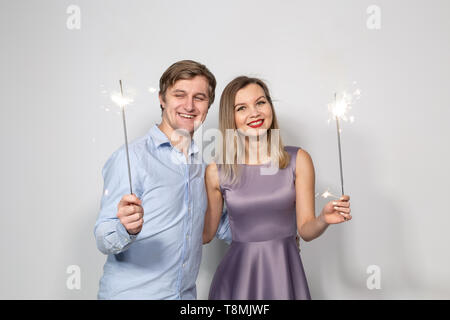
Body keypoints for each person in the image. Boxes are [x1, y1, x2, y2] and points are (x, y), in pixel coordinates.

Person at [202, 76, 352, 300]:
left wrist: (323, 218)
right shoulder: (217, 171)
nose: (255, 113)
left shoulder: (298, 159)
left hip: (285, 275)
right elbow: (205, 235)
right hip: (236, 281)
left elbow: (306, 230)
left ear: (270, 106)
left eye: (260, 102)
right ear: (230, 117)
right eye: (242, 108)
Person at [94, 60, 230, 299]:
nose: (189, 105)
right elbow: (104, 237)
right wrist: (125, 228)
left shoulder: (203, 167)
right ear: (162, 99)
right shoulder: (131, 158)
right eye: (179, 94)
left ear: (208, 105)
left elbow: (218, 224)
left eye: (199, 97)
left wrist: (278, 232)